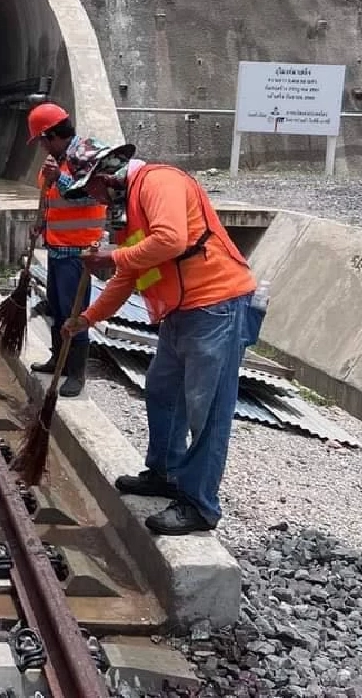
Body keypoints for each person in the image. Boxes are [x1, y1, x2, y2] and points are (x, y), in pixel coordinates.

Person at [61, 142, 257, 536]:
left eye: (91, 189)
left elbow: (171, 241)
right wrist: (88, 318)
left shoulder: (158, 182)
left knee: (207, 408)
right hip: (180, 312)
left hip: (216, 306)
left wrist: (111, 256)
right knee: (162, 391)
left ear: (105, 175)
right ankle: (165, 472)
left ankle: (199, 505)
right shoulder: (131, 211)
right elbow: (130, 276)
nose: (92, 198)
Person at [24, 105, 108, 397]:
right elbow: (52, 200)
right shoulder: (55, 160)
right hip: (57, 247)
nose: (42, 146)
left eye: (42, 139)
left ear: (53, 135)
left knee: (75, 311)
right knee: (58, 308)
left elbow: (86, 196)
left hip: (78, 250)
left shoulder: (85, 157)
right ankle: (56, 357)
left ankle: (76, 373)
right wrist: (42, 225)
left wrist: (58, 178)